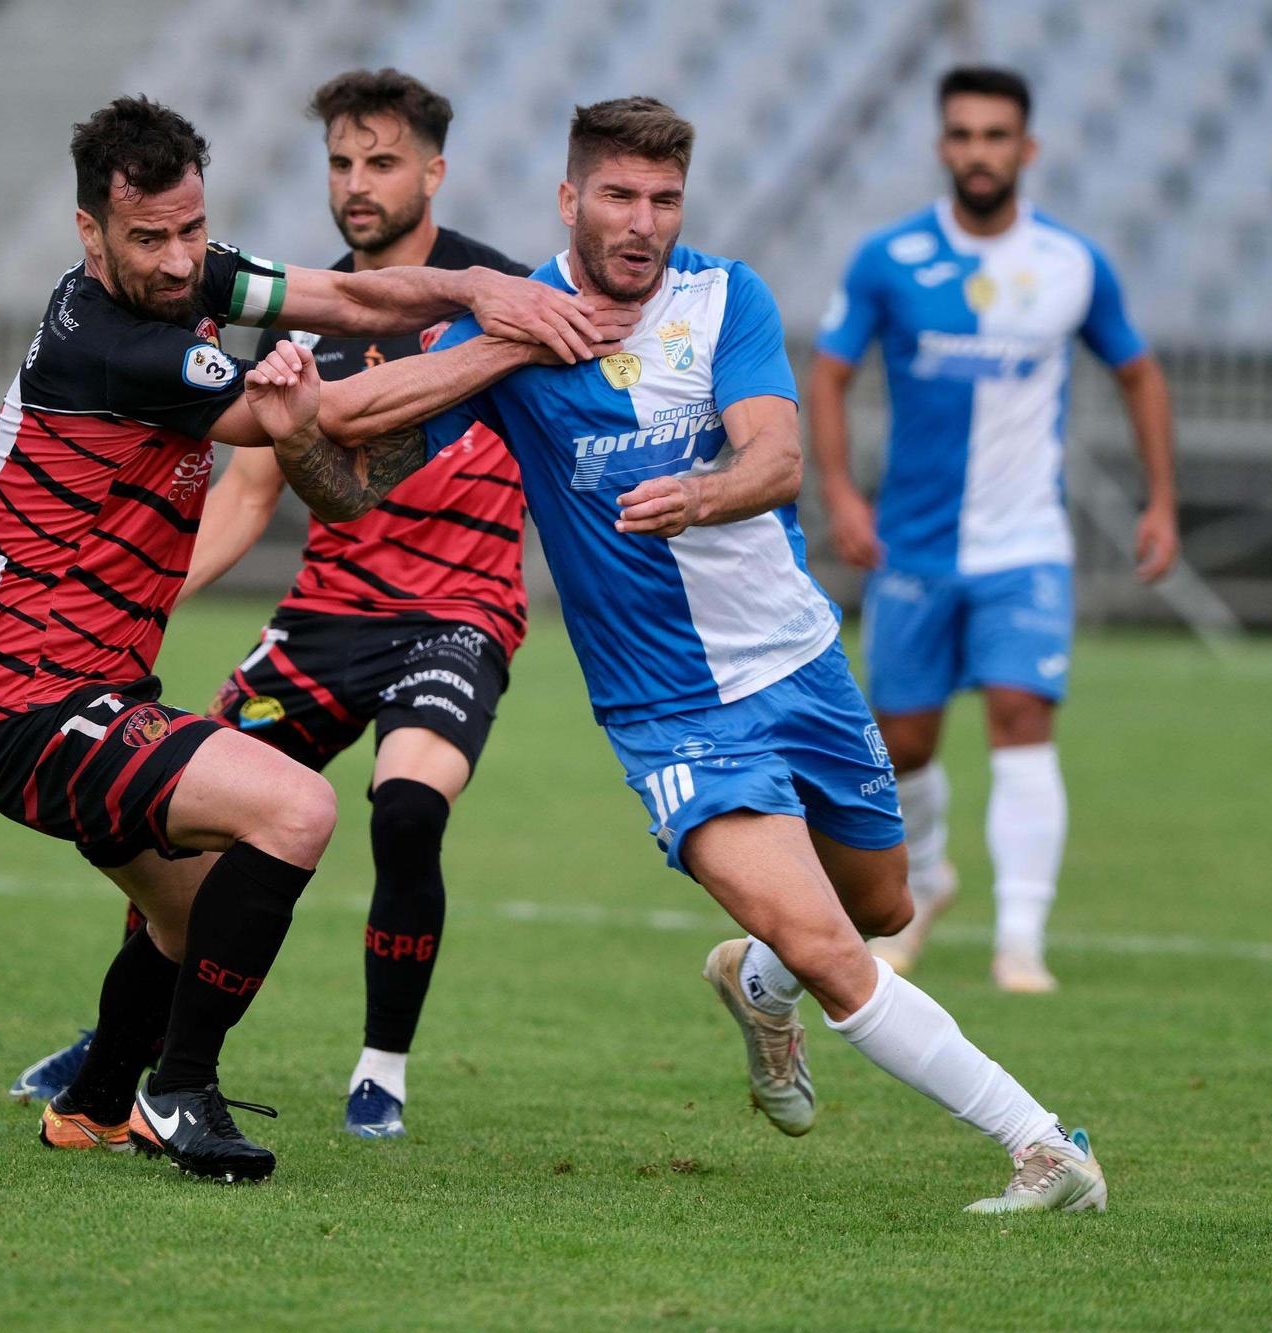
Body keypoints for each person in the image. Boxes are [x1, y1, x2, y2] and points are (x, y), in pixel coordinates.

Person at [267, 97, 1108, 1213]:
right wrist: (297, 432)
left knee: (880, 906)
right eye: (617, 195)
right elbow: (350, 482)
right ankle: (1044, 1145)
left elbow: (775, 456)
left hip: (797, 660)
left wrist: (700, 493)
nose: (642, 221)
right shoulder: (513, 337)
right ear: (570, 200)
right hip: (668, 709)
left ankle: (754, 983)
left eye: (663, 198)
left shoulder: (726, 298)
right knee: (830, 946)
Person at [0, 96, 627, 1182]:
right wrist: (503, 339)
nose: (181, 261)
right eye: (149, 238)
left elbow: (349, 295)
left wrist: (469, 286)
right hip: (37, 709)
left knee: (191, 913)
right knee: (296, 805)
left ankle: (90, 1105)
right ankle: (181, 1090)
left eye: (191, 229)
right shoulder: (115, 344)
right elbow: (332, 427)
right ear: (89, 234)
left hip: (95, 692)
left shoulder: (188, 277)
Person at [808, 66, 1179, 992]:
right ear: (943, 147)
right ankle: (929, 879)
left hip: (1027, 546)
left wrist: (1162, 499)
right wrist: (845, 495)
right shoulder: (888, 259)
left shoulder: (1071, 264)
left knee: (1022, 719)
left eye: (996, 135)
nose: (979, 152)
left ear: (1027, 148)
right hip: (915, 546)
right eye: (963, 135)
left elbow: (1138, 371)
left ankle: (1022, 939)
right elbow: (829, 371)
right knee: (906, 745)